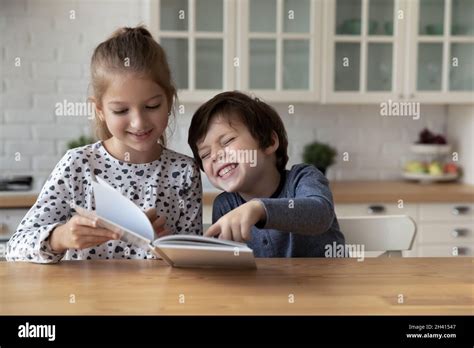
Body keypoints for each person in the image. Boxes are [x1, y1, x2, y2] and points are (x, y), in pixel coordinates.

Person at [7, 26, 202, 263]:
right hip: (87, 299)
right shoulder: (78, 165)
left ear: (169, 101)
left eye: (152, 106)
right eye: (121, 110)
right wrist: (61, 237)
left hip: (158, 299)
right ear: (99, 109)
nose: (138, 122)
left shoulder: (183, 171)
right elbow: (15, 248)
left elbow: (197, 262)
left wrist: (169, 249)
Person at [188, 91, 344, 257]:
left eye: (227, 141)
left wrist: (259, 208)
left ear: (269, 142)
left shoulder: (303, 177)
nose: (215, 156)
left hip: (326, 282)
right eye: (204, 154)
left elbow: (320, 214)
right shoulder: (224, 206)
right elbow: (227, 264)